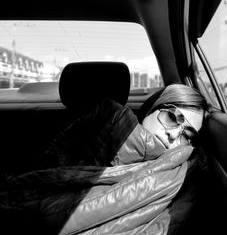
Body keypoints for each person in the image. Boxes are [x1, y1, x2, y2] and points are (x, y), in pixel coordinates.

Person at [0, 83, 209, 235]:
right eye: (172, 117)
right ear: (152, 108)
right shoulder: (96, 128)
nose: (173, 135)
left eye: (187, 135)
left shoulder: (181, 177)